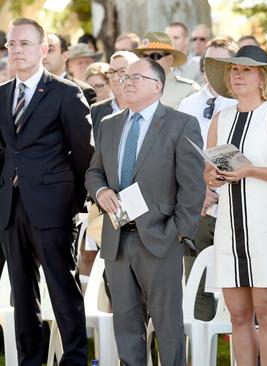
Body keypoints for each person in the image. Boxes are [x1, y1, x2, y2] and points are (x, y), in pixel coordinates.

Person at [85, 58, 205, 365]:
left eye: (135, 77)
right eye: (125, 77)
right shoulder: (109, 125)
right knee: (126, 327)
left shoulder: (181, 124)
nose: (126, 81)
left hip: (161, 239)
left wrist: (177, 231)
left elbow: (192, 187)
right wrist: (101, 191)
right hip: (117, 241)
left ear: (157, 86)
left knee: (168, 328)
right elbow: (94, 172)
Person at [0, 17, 93, 365]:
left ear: (43, 50)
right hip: (10, 208)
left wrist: (72, 203)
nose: (16, 50)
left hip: (53, 209)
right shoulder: (2, 94)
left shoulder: (66, 93)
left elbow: (84, 153)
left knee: (62, 290)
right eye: (11, 44)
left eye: (24, 43)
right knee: (21, 295)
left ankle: (74, 359)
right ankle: (31, 360)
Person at [203, 45, 267, 365]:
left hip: (266, 225)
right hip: (229, 226)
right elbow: (208, 170)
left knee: (266, 312)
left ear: (263, 78)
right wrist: (213, 179)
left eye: (246, 70)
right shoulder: (221, 117)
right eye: (234, 70)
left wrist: (249, 171)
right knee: (238, 314)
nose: (238, 75)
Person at [178, 37, 238, 321]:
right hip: (198, 209)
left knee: (239, 290)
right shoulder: (187, 104)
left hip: (235, 207)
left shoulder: (243, 104)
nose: (212, 69)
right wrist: (197, 193)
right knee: (197, 288)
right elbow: (177, 157)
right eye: (208, 63)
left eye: (220, 63)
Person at [134, 31, 200, 108]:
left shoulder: (189, 90)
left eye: (155, 56)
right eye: (144, 56)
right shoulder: (133, 88)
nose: (148, 60)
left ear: (170, 59)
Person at [89, 51, 139, 142]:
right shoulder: (96, 111)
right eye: (111, 72)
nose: (115, 78)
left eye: (122, 71)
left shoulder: (149, 108)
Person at [43, 33, 97, 105]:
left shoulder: (83, 91)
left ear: (65, 56)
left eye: (50, 50)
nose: (44, 55)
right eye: (42, 50)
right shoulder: (30, 88)